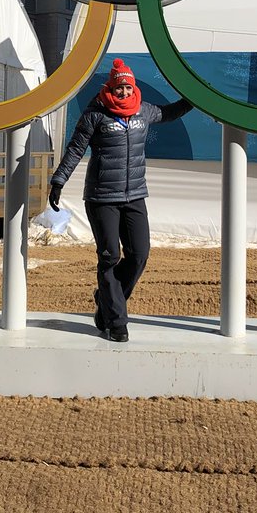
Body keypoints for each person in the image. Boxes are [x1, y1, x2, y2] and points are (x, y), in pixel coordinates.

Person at [48, 58, 192, 342]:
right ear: (111, 88)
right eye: (119, 88)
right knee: (110, 257)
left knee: (139, 255)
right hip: (102, 198)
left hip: (135, 195)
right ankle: (116, 322)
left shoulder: (143, 111)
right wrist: (58, 181)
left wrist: (193, 99)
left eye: (128, 87)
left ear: (133, 87)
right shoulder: (95, 114)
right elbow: (76, 149)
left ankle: (106, 301)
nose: (124, 92)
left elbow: (170, 113)